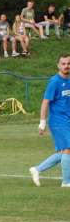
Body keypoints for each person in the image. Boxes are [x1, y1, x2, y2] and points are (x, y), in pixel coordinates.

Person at [29, 55, 70, 188]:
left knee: (62, 153)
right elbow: (45, 102)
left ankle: (37, 169)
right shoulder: (54, 81)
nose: (66, 66)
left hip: (67, 120)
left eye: (68, 63)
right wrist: (42, 122)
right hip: (58, 121)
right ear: (58, 65)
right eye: (63, 63)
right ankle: (66, 182)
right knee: (67, 149)